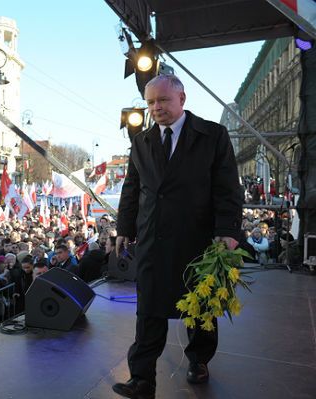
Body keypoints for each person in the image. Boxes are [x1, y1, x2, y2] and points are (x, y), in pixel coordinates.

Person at [113, 74, 243, 399]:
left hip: (198, 241)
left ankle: (199, 359)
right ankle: (142, 379)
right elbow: (132, 189)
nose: (156, 108)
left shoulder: (213, 135)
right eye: (151, 102)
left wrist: (227, 232)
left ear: (182, 100)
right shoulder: (141, 142)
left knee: (200, 307)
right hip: (152, 241)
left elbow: (228, 189)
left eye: (163, 101)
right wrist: (124, 229)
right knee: (149, 311)